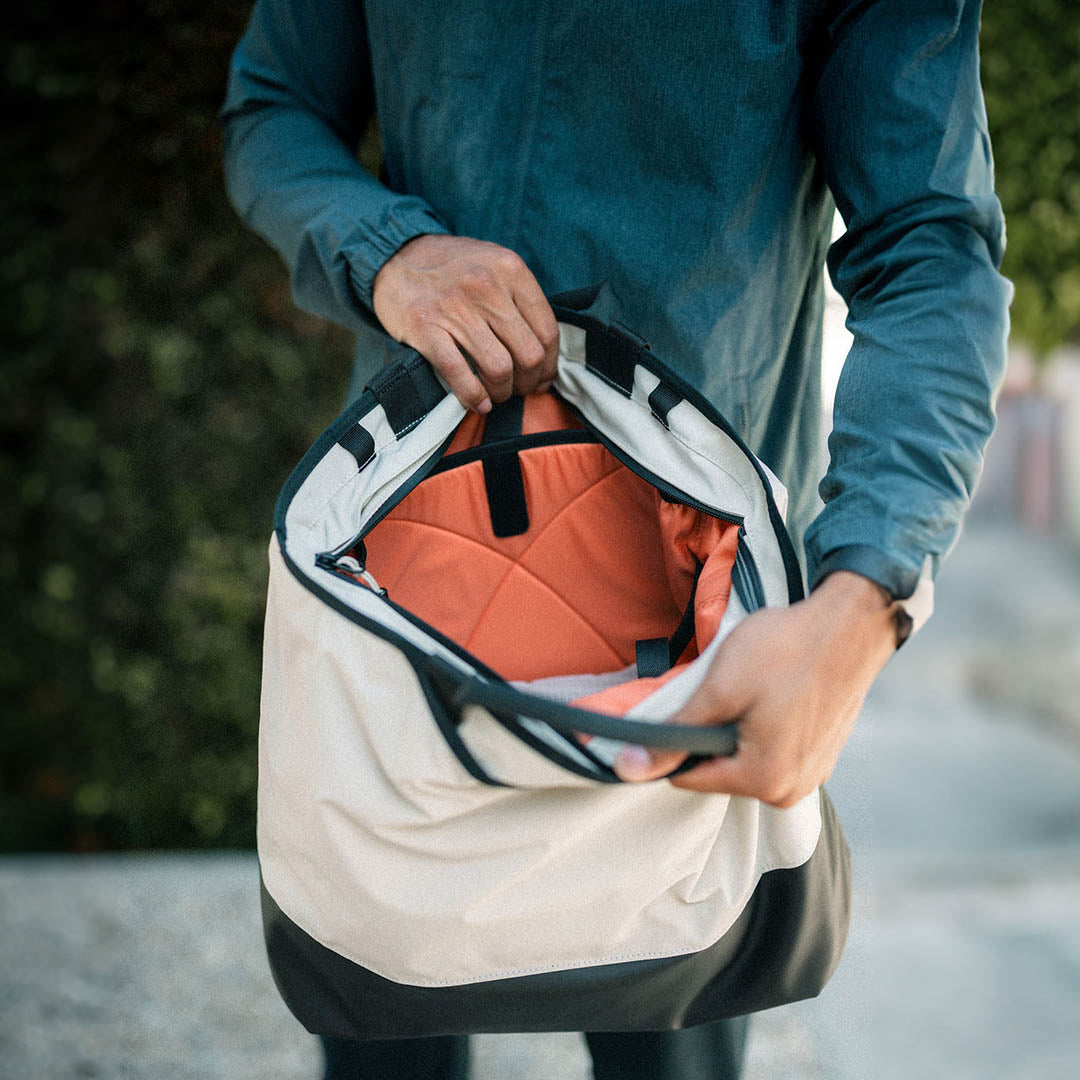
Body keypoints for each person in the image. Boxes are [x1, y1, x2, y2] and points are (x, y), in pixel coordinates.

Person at [222, 2, 1011, 1077]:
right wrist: (387, 251)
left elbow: (929, 248)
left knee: (669, 1043)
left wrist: (867, 593)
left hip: (696, 594)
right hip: (403, 558)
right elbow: (273, 111)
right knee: (387, 1012)